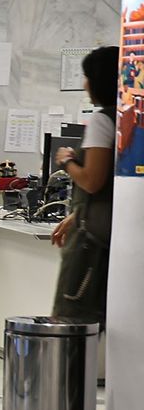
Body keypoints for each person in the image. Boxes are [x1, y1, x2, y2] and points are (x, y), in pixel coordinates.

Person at [51, 45, 119, 323]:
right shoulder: (129, 118)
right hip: (112, 237)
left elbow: (92, 181)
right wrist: (76, 215)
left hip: (91, 247)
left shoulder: (103, 121)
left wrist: (68, 161)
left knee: (73, 320)